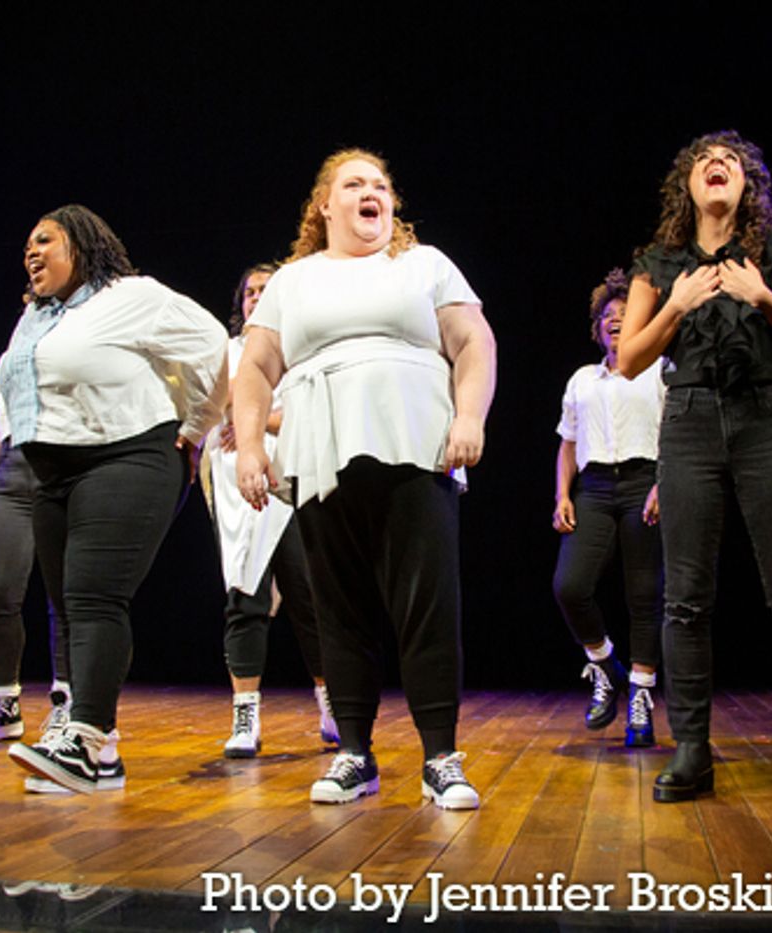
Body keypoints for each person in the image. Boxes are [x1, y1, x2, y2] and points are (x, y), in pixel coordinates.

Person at [234, 149, 497, 809]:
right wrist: (247, 446)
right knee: (338, 607)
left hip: (416, 441)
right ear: (325, 205)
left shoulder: (424, 264)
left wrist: (470, 415)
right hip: (321, 447)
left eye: (380, 184)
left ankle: (441, 755)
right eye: (354, 184)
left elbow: (474, 343)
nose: (371, 192)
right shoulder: (294, 279)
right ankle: (355, 751)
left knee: (426, 602)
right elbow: (255, 368)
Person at [617, 131, 772, 807]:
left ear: (749, 184)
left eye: (733, 161)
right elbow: (628, 358)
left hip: (766, 416)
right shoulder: (660, 263)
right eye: (706, 161)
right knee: (684, 597)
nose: (719, 166)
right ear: (687, 183)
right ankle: (690, 749)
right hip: (686, 420)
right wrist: (677, 307)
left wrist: (761, 297)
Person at [3, 204, 227, 794]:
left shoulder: (133, 296)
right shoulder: (37, 316)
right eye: (26, 243)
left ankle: (87, 736)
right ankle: (101, 758)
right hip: (53, 471)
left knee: (95, 597)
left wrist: (196, 426)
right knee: (69, 608)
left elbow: (215, 348)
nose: (31, 251)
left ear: (81, 243)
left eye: (44, 239)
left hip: (128, 456)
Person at [206, 264, 335, 758]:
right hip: (240, 490)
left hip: (294, 483)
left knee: (310, 599)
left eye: (265, 290)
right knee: (245, 598)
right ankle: (246, 717)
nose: (256, 298)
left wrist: (257, 418)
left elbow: (311, 410)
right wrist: (241, 414)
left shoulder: (299, 349)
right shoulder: (227, 352)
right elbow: (211, 400)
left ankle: (330, 704)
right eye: (249, 292)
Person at [552, 269, 665, 747]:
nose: (615, 322)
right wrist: (562, 494)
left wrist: (665, 484)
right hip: (594, 486)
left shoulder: (660, 368)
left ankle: (640, 696)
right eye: (607, 317)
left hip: (646, 480)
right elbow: (567, 443)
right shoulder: (582, 379)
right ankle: (604, 665)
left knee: (644, 593)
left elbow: (676, 434)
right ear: (597, 329)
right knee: (570, 586)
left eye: (624, 315)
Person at [0, 365, 70, 746]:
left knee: (64, 596)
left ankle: (67, 703)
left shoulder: (76, 335)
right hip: (12, 471)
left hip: (60, 464)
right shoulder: (11, 354)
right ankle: (4, 703)